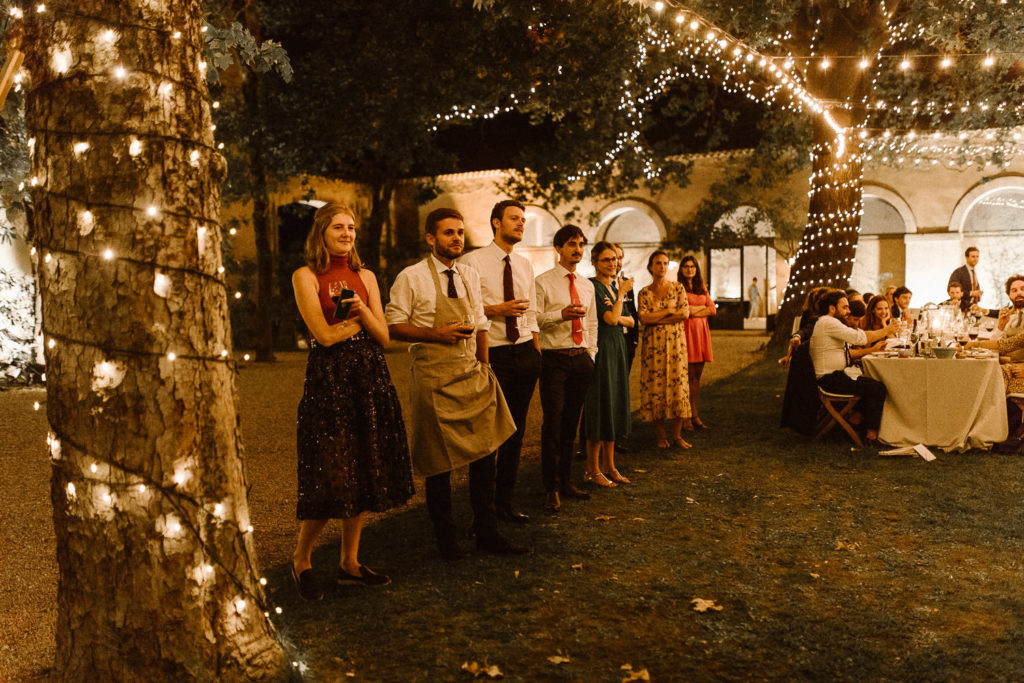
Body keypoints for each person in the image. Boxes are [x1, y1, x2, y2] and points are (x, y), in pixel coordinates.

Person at [291, 202, 415, 600]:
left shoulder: (366, 277)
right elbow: (322, 338)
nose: (346, 234)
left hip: (369, 376)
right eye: (338, 227)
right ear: (321, 232)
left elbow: (385, 337)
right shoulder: (306, 275)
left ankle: (349, 562)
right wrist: (360, 321)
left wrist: (359, 309)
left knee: (362, 465)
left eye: (351, 228)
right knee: (332, 469)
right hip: (330, 379)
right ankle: (302, 560)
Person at [386, 208, 525, 560]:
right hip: (433, 377)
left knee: (485, 453)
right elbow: (393, 326)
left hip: (471, 372)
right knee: (439, 461)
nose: (456, 239)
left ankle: (487, 531)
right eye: (448, 233)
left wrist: (484, 366)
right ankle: (446, 539)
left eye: (460, 232)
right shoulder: (411, 277)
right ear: (431, 238)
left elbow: (480, 323)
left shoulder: (467, 273)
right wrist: (436, 333)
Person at [461, 200, 541, 523]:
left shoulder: (524, 265)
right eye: (514, 219)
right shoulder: (473, 262)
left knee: (516, 432)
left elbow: (532, 312)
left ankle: (505, 504)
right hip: (491, 352)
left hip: (523, 352)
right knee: (488, 435)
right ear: (496, 222)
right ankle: (484, 511)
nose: (520, 224)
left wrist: (535, 353)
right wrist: (497, 310)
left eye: (523, 219)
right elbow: (466, 309)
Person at [535, 225, 598, 513]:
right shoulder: (543, 282)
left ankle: (566, 480)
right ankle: (551, 488)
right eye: (572, 244)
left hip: (580, 359)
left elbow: (593, 324)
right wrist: (561, 315)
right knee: (553, 423)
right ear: (558, 248)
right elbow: (533, 319)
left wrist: (591, 354)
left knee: (571, 423)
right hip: (554, 359)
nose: (577, 249)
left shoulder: (586, 286)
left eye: (581, 244)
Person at [810, 290, 898, 444]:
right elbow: (860, 338)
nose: (848, 311)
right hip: (829, 379)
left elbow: (847, 352)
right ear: (832, 308)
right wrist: (886, 330)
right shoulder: (828, 322)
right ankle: (871, 434)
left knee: (872, 382)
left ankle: (856, 421)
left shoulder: (829, 323)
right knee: (877, 388)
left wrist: (872, 350)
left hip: (837, 374)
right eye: (844, 307)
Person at [580, 242, 635, 487]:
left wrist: (619, 307)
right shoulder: (594, 286)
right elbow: (612, 318)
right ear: (594, 262)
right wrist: (621, 295)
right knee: (600, 406)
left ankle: (610, 465)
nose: (613, 263)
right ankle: (591, 468)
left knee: (614, 404)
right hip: (602, 349)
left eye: (615, 259)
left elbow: (632, 321)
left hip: (618, 348)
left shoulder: (613, 287)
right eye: (606, 260)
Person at [638, 250, 692, 449]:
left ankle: (677, 436)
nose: (662, 266)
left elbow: (684, 313)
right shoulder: (644, 292)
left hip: (675, 345)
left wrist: (658, 316)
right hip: (653, 347)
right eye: (658, 263)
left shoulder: (677, 288)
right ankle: (661, 436)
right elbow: (643, 318)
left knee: (678, 386)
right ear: (651, 266)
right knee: (656, 387)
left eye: (665, 263)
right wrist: (668, 311)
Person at [678, 255, 715, 430]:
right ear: (681, 269)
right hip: (686, 334)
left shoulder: (702, 288)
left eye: (692, 266)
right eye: (686, 266)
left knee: (697, 377)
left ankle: (695, 414)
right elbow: (682, 310)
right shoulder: (678, 287)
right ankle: (684, 416)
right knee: (686, 377)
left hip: (701, 334)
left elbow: (712, 309)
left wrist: (693, 311)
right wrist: (700, 309)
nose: (689, 269)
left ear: (696, 268)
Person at [986, 275, 1024, 362]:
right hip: (1004, 364)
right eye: (1014, 290)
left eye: (1023, 289)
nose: (1019, 293)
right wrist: (1000, 326)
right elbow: (993, 348)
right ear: (1009, 295)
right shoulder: (1010, 317)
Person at [948, 247, 983, 313]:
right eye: (973, 256)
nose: (976, 259)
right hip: (961, 309)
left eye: (977, 256)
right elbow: (951, 290)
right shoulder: (958, 272)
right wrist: (971, 293)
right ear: (966, 257)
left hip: (973, 308)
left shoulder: (973, 272)